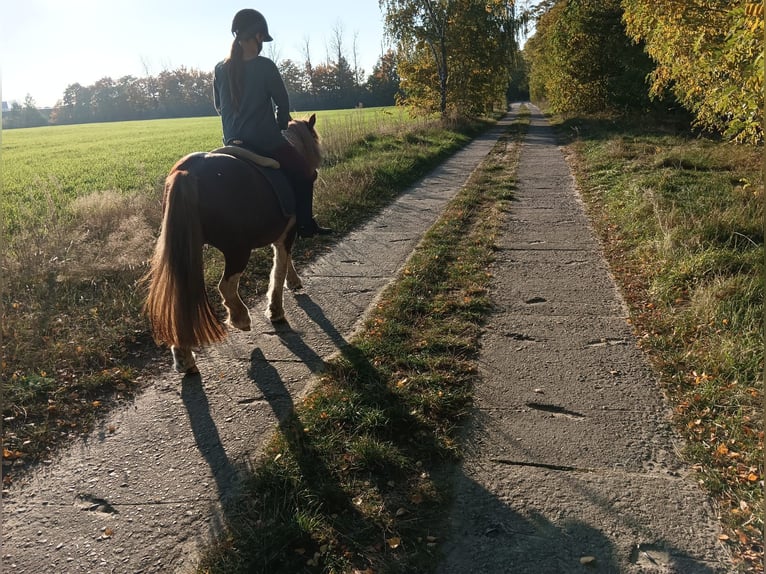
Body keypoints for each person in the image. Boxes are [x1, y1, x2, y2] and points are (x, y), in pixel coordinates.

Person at [213, 8, 331, 238]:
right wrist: (281, 123)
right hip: (265, 142)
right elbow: (282, 104)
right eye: (262, 38)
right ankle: (306, 224)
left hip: (230, 141)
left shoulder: (220, 68)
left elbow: (219, 107)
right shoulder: (265, 66)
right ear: (257, 36)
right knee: (306, 173)